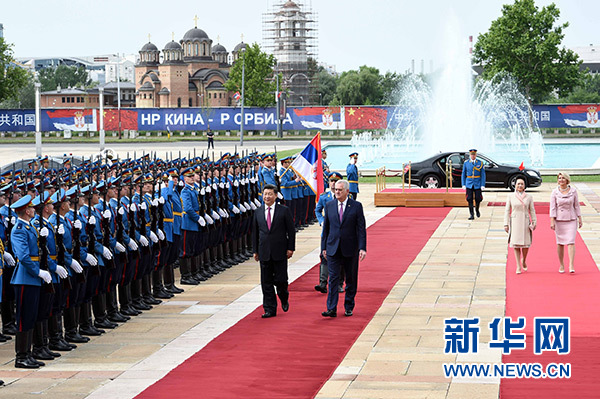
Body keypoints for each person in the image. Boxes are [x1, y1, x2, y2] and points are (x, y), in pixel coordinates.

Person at [321, 179, 366, 317]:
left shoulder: (356, 206)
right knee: (333, 278)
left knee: (350, 279)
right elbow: (326, 228)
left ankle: (349, 305)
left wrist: (362, 248)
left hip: (350, 248)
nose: (337, 192)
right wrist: (323, 247)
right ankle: (331, 308)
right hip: (333, 248)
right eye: (335, 190)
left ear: (347, 191)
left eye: (340, 190)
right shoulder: (329, 205)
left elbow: (360, 229)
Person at [252, 184, 295, 318]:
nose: (267, 197)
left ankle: (283, 296)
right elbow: (254, 233)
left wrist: (290, 248)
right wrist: (255, 250)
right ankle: (270, 308)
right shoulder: (258, 212)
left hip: (280, 251)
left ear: (275, 195)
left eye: (270, 194)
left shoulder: (284, 210)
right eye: (265, 194)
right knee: (266, 282)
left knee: (281, 280)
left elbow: (291, 231)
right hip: (264, 251)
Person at [314, 172, 341, 293]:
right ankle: (322, 283)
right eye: (331, 181)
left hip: (339, 232)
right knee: (324, 256)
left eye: (336, 181)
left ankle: (339, 283)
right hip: (327, 231)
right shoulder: (324, 197)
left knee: (340, 257)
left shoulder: (345, 197)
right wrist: (321, 221)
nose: (333, 183)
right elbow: (318, 210)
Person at [550, 172, 582, 274]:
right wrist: (552, 220)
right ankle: (561, 264)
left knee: (571, 242)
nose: (561, 180)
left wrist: (579, 218)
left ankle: (571, 264)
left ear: (567, 180)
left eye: (563, 178)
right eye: (559, 178)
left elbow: (576, 205)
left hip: (571, 219)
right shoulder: (554, 192)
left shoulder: (573, 191)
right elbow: (553, 207)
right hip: (559, 220)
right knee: (560, 243)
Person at [504, 178, 536, 274]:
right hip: (515, 221)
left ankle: (524, 260)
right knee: (516, 244)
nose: (520, 186)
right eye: (518, 184)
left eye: (522, 184)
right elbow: (507, 210)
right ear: (515, 185)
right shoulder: (510, 196)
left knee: (526, 244)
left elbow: (532, 210)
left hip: (525, 221)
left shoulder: (529, 197)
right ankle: (518, 265)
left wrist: (534, 221)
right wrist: (506, 223)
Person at [461, 148, 486, 220]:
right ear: (470, 155)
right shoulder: (466, 163)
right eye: (471, 155)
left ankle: (477, 209)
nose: (473, 156)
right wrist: (463, 184)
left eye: (474, 155)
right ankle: (471, 214)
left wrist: (482, 184)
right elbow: (463, 174)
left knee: (478, 198)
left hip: (477, 183)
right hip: (469, 183)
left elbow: (483, 174)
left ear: (476, 155)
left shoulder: (480, 163)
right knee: (469, 198)